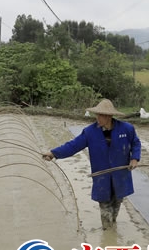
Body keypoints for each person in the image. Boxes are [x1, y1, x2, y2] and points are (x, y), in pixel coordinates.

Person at [42, 99, 141, 230]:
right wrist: (53, 153)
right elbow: (73, 146)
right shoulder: (90, 132)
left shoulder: (126, 129)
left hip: (120, 176)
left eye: (100, 115)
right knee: (105, 210)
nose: (97, 118)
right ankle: (108, 232)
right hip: (102, 178)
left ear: (109, 116)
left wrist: (135, 159)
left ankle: (112, 227)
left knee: (116, 206)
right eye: (97, 115)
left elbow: (135, 143)